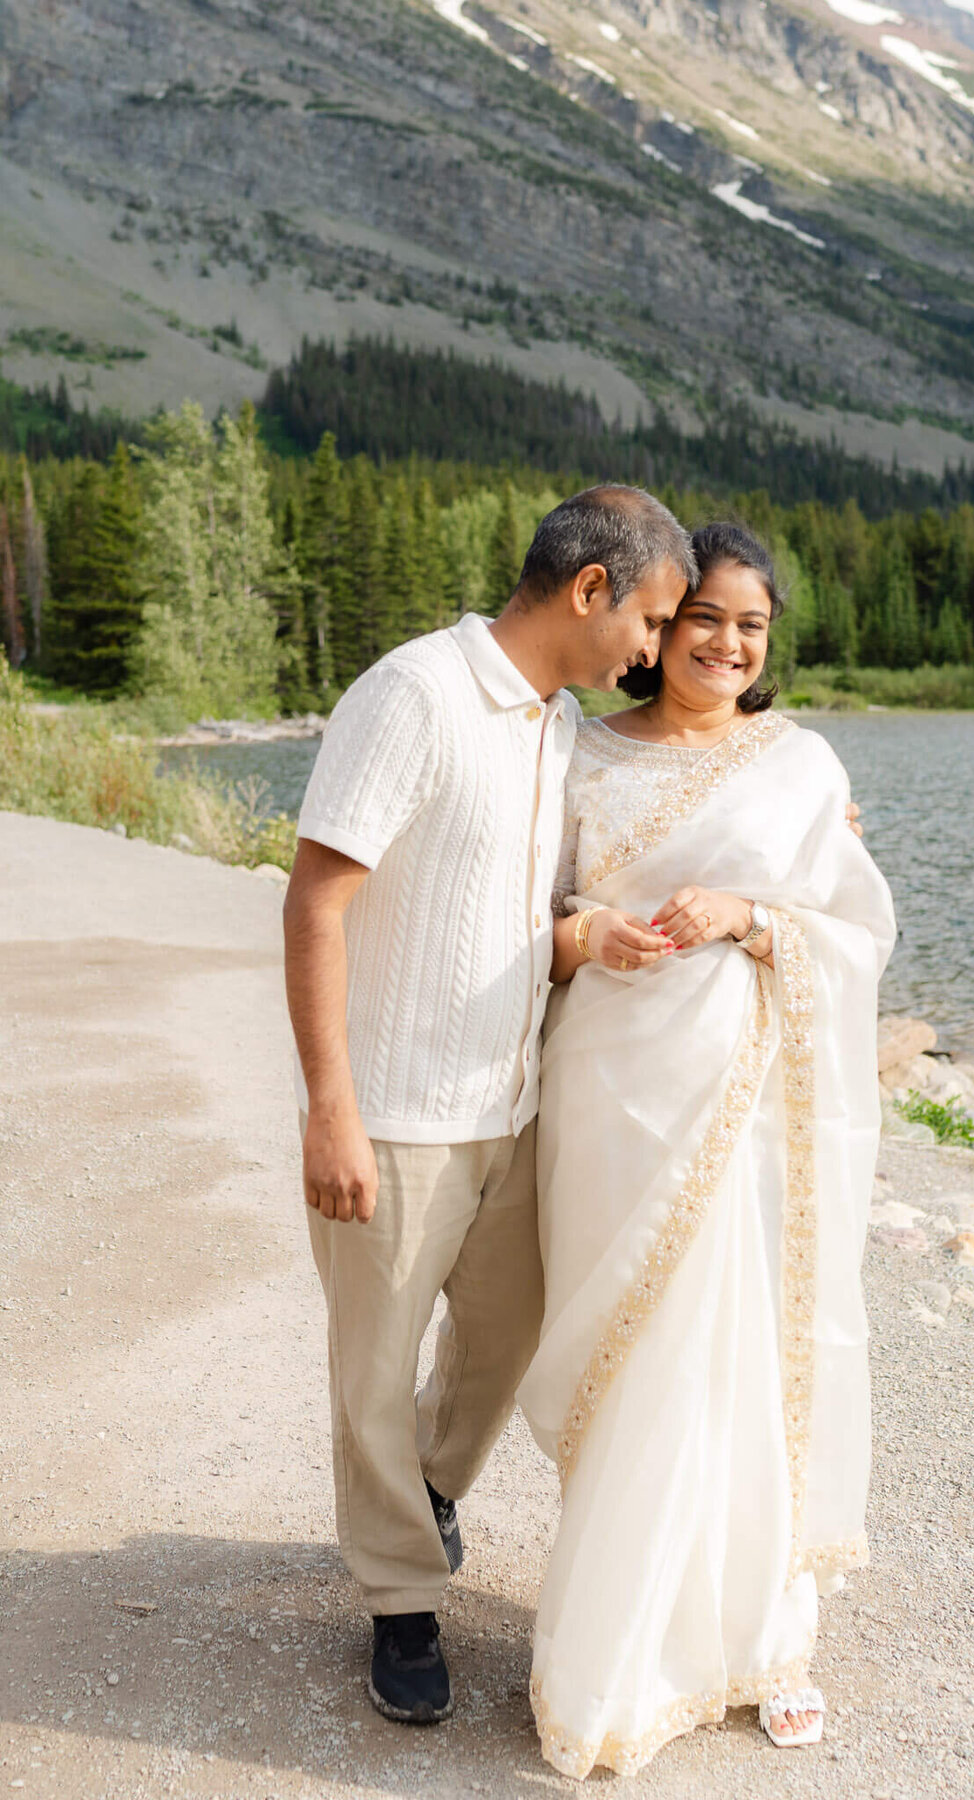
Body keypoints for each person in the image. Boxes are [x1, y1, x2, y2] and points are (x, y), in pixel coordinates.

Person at [283, 486, 697, 1725]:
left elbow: (524, 913)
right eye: (652, 617)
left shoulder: (556, 728)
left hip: (512, 1111)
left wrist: (589, 936)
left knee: (506, 1340)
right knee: (372, 1370)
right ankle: (401, 1600)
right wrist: (329, 1110)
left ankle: (425, 1494)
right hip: (396, 1118)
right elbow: (315, 905)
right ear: (589, 589)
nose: (652, 648)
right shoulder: (412, 695)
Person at [518, 522, 897, 1778]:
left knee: (742, 1358)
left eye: (752, 626)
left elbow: (856, 926)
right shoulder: (575, 755)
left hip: (748, 1109)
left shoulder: (796, 766)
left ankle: (764, 1640)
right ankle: (622, 1652)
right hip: (612, 1095)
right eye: (705, 621)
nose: (729, 645)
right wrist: (585, 936)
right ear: (657, 628)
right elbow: (534, 906)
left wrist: (751, 914)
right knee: (637, 1368)